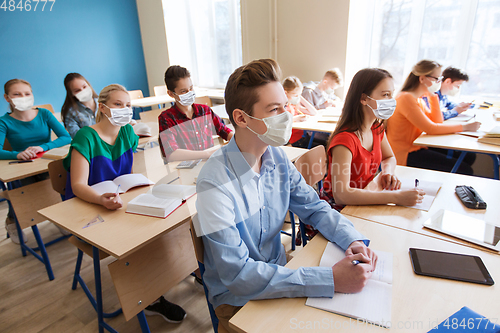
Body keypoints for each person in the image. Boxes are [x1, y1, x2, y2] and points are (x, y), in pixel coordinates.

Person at [195, 59, 377, 333]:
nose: (287, 114)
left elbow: (314, 208)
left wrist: (351, 238)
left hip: (278, 272)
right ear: (241, 118)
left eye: (285, 105)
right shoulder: (213, 182)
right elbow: (237, 276)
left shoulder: (277, 156)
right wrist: (330, 279)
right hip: (237, 300)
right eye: (275, 109)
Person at [63, 84, 187, 323]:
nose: (124, 109)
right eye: (118, 104)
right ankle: (151, 298)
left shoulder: (128, 134)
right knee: (138, 238)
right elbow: (78, 185)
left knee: (163, 223)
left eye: (128, 105)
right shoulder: (86, 136)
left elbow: (125, 177)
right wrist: (100, 199)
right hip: (87, 207)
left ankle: (172, 275)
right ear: (103, 107)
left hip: (117, 202)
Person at [320, 68, 424, 211]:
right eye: (385, 95)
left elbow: (389, 157)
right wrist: (396, 197)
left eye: (391, 94)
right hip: (338, 209)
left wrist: (387, 172)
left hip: (366, 196)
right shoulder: (344, 141)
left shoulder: (376, 127)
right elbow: (341, 194)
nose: (391, 100)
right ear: (364, 98)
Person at [1, 79, 71, 244]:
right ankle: (12, 221)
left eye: (27, 93)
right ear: (7, 98)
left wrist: (43, 146)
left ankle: (57, 216)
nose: (23, 97)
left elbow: (65, 137)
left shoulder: (44, 114)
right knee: (23, 194)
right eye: (17, 94)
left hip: (46, 162)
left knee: (55, 187)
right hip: (22, 167)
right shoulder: (4, 121)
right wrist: (17, 154)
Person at [386, 60, 481, 175]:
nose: (439, 82)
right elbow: (431, 128)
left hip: (417, 146)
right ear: (422, 79)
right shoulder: (405, 98)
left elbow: (437, 122)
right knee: (465, 170)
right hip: (405, 153)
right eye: (436, 79)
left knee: (469, 156)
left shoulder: (419, 98)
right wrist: (465, 127)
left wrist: (433, 96)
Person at [158, 65, 233, 162]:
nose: (189, 93)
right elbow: (171, 154)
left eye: (191, 88)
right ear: (171, 94)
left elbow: (224, 130)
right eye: (183, 91)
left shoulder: (204, 111)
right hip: (186, 169)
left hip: (210, 165)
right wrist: (206, 154)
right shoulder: (166, 118)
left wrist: (235, 140)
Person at [282, 76, 317, 147]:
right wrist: (298, 118)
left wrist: (299, 97)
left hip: (303, 137)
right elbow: (283, 121)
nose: (297, 97)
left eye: (299, 94)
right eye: (295, 95)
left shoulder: (293, 105)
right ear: (285, 93)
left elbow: (314, 112)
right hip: (296, 140)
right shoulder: (283, 106)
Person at [61, 73, 98, 138]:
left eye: (84, 87)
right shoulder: (71, 113)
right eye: (77, 90)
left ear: (88, 85)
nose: (83, 91)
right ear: (71, 94)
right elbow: (78, 137)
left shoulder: (105, 103)